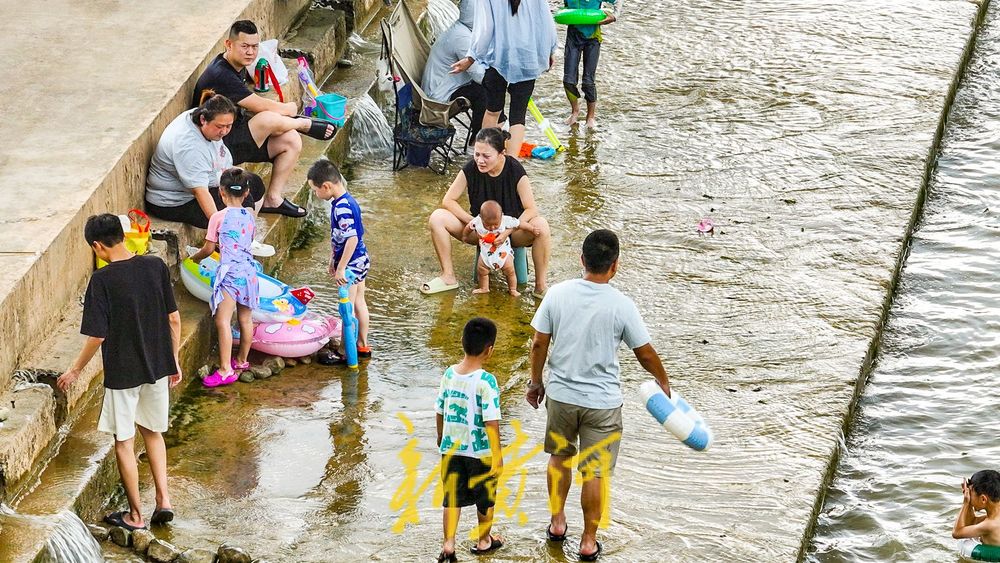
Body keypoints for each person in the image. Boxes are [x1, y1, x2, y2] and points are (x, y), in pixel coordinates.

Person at [526, 229, 671, 561]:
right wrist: (663, 382)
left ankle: (558, 522)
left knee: (559, 459)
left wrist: (535, 383)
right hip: (602, 404)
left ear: (582, 260)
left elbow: (538, 343)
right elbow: (645, 353)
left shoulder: (557, 294)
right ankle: (588, 542)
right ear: (615, 265)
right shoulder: (622, 305)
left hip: (561, 397)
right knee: (595, 472)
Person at [56, 214, 182, 530]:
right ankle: (164, 501)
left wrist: (74, 370)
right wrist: (174, 359)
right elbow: (175, 319)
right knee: (153, 432)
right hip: (157, 367)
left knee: (124, 441)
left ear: (98, 246)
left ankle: (136, 517)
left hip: (123, 374)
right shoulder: (155, 266)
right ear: (122, 236)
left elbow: (97, 336)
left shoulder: (102, 281)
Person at [191, 19, 339, 219]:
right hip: (216, 143)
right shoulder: (220, 74)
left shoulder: (236, 65)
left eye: (254, 46)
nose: (250, 52)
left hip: (231, 132)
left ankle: (273, 199)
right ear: (228, 44)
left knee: (291, 140)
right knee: (268, 118)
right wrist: (289, 108)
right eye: (244, 46)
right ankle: (303, 123)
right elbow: (260, 105)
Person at [422, 128, 550, 297]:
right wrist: (473, 222)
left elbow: (531, 208)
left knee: (541, 225)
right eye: (477, 154)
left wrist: (507, 231)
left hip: (512, 233)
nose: (480, 160)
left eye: (486, 156)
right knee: (437, 217)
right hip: (481, 233)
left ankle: (540, 286)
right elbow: (448, 200)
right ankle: (448, 276)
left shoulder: (514, 169)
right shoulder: (471, 168)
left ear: (501, 153)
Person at [450, 0, 558, 159]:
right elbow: (545, 22)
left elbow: (485, 29)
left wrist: (470, 58)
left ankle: (485, 159)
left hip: (499, 56)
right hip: (527, 56)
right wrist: (549, 50)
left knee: (492, 111)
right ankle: (512, 167)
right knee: (518, 116)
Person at [435, 317, 504, 562]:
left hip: (451, 449)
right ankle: (484, 540)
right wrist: (498, 456)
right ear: (490, 350)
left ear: (462, 342)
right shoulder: (486, 381)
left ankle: (449, 544)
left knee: (451, 497)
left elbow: (440, 409)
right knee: (485, 498)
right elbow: (491, 421)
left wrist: (440, 436)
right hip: (480, 452)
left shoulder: (449, 374)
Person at [145, 95, 269, 229]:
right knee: (237, 203)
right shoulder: (189, 147)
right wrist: (218, 226)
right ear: (203, 119)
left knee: (253, 184)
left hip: (209, 179)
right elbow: (200, 192)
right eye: (220, 126)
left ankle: (247, 233)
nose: (224, 131)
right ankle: (236, 239)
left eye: (229, 126)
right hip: (175, 202)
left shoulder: (202, 120)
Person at [188, 168, 260, 387]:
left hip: (230, 276)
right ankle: (241, 361)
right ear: (246, 193)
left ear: (221, 192)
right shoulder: (250, 215)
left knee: (222, 321)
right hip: (249, 273)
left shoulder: (217, 217)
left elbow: (209, 249)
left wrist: (194, 259)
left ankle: (225, 370)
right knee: (246, 319)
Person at [307, 159, 372, 362]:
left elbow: (351, 237)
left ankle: (345, 352)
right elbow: (340, 237)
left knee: (347, 308)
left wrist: (341, 268)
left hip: (351, 264)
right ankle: (362, 345)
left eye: (316, 190)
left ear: (326, 186)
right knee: (360, 302)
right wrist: (332, 260)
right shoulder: (347, 201)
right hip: (360, 259)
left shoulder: (341, 207)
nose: (316, 195)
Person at [422, 0, 490, 144]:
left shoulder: (461, 29)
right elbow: (479, 75)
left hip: (447, 86)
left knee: (486, 88)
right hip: (439, 96)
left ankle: (484, 132)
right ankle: (478, 139)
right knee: (484, 92)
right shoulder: (463, 38)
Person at [562, 0, 617, 127]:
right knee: (568, 80)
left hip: (593, 37)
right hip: (573, 35)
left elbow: (618, 1)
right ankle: (575, 111)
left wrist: (614, 16)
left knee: (588, 81)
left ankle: (590, 116)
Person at [465, 200, 531, 296]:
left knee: (510, 272)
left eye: (496, 225)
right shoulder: (477, 221)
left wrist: (531, 228)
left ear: (501, 216)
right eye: (487, 225)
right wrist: (464, 236)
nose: (492, 228)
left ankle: (512, 289)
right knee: (482, 270)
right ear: (481, 218)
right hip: (485, 254)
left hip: (503, 254)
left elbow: (519, 223)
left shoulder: (505, 220)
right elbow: (468, 227)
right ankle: (484, 288)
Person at [953, 470, 1000, 550]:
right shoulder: (994, 518)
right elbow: (971, 523)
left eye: (970, 493)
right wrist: (970, 504)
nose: (969, 496)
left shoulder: (989, 525)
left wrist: (966, 503)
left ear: (983, 499)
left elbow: (956, 533)